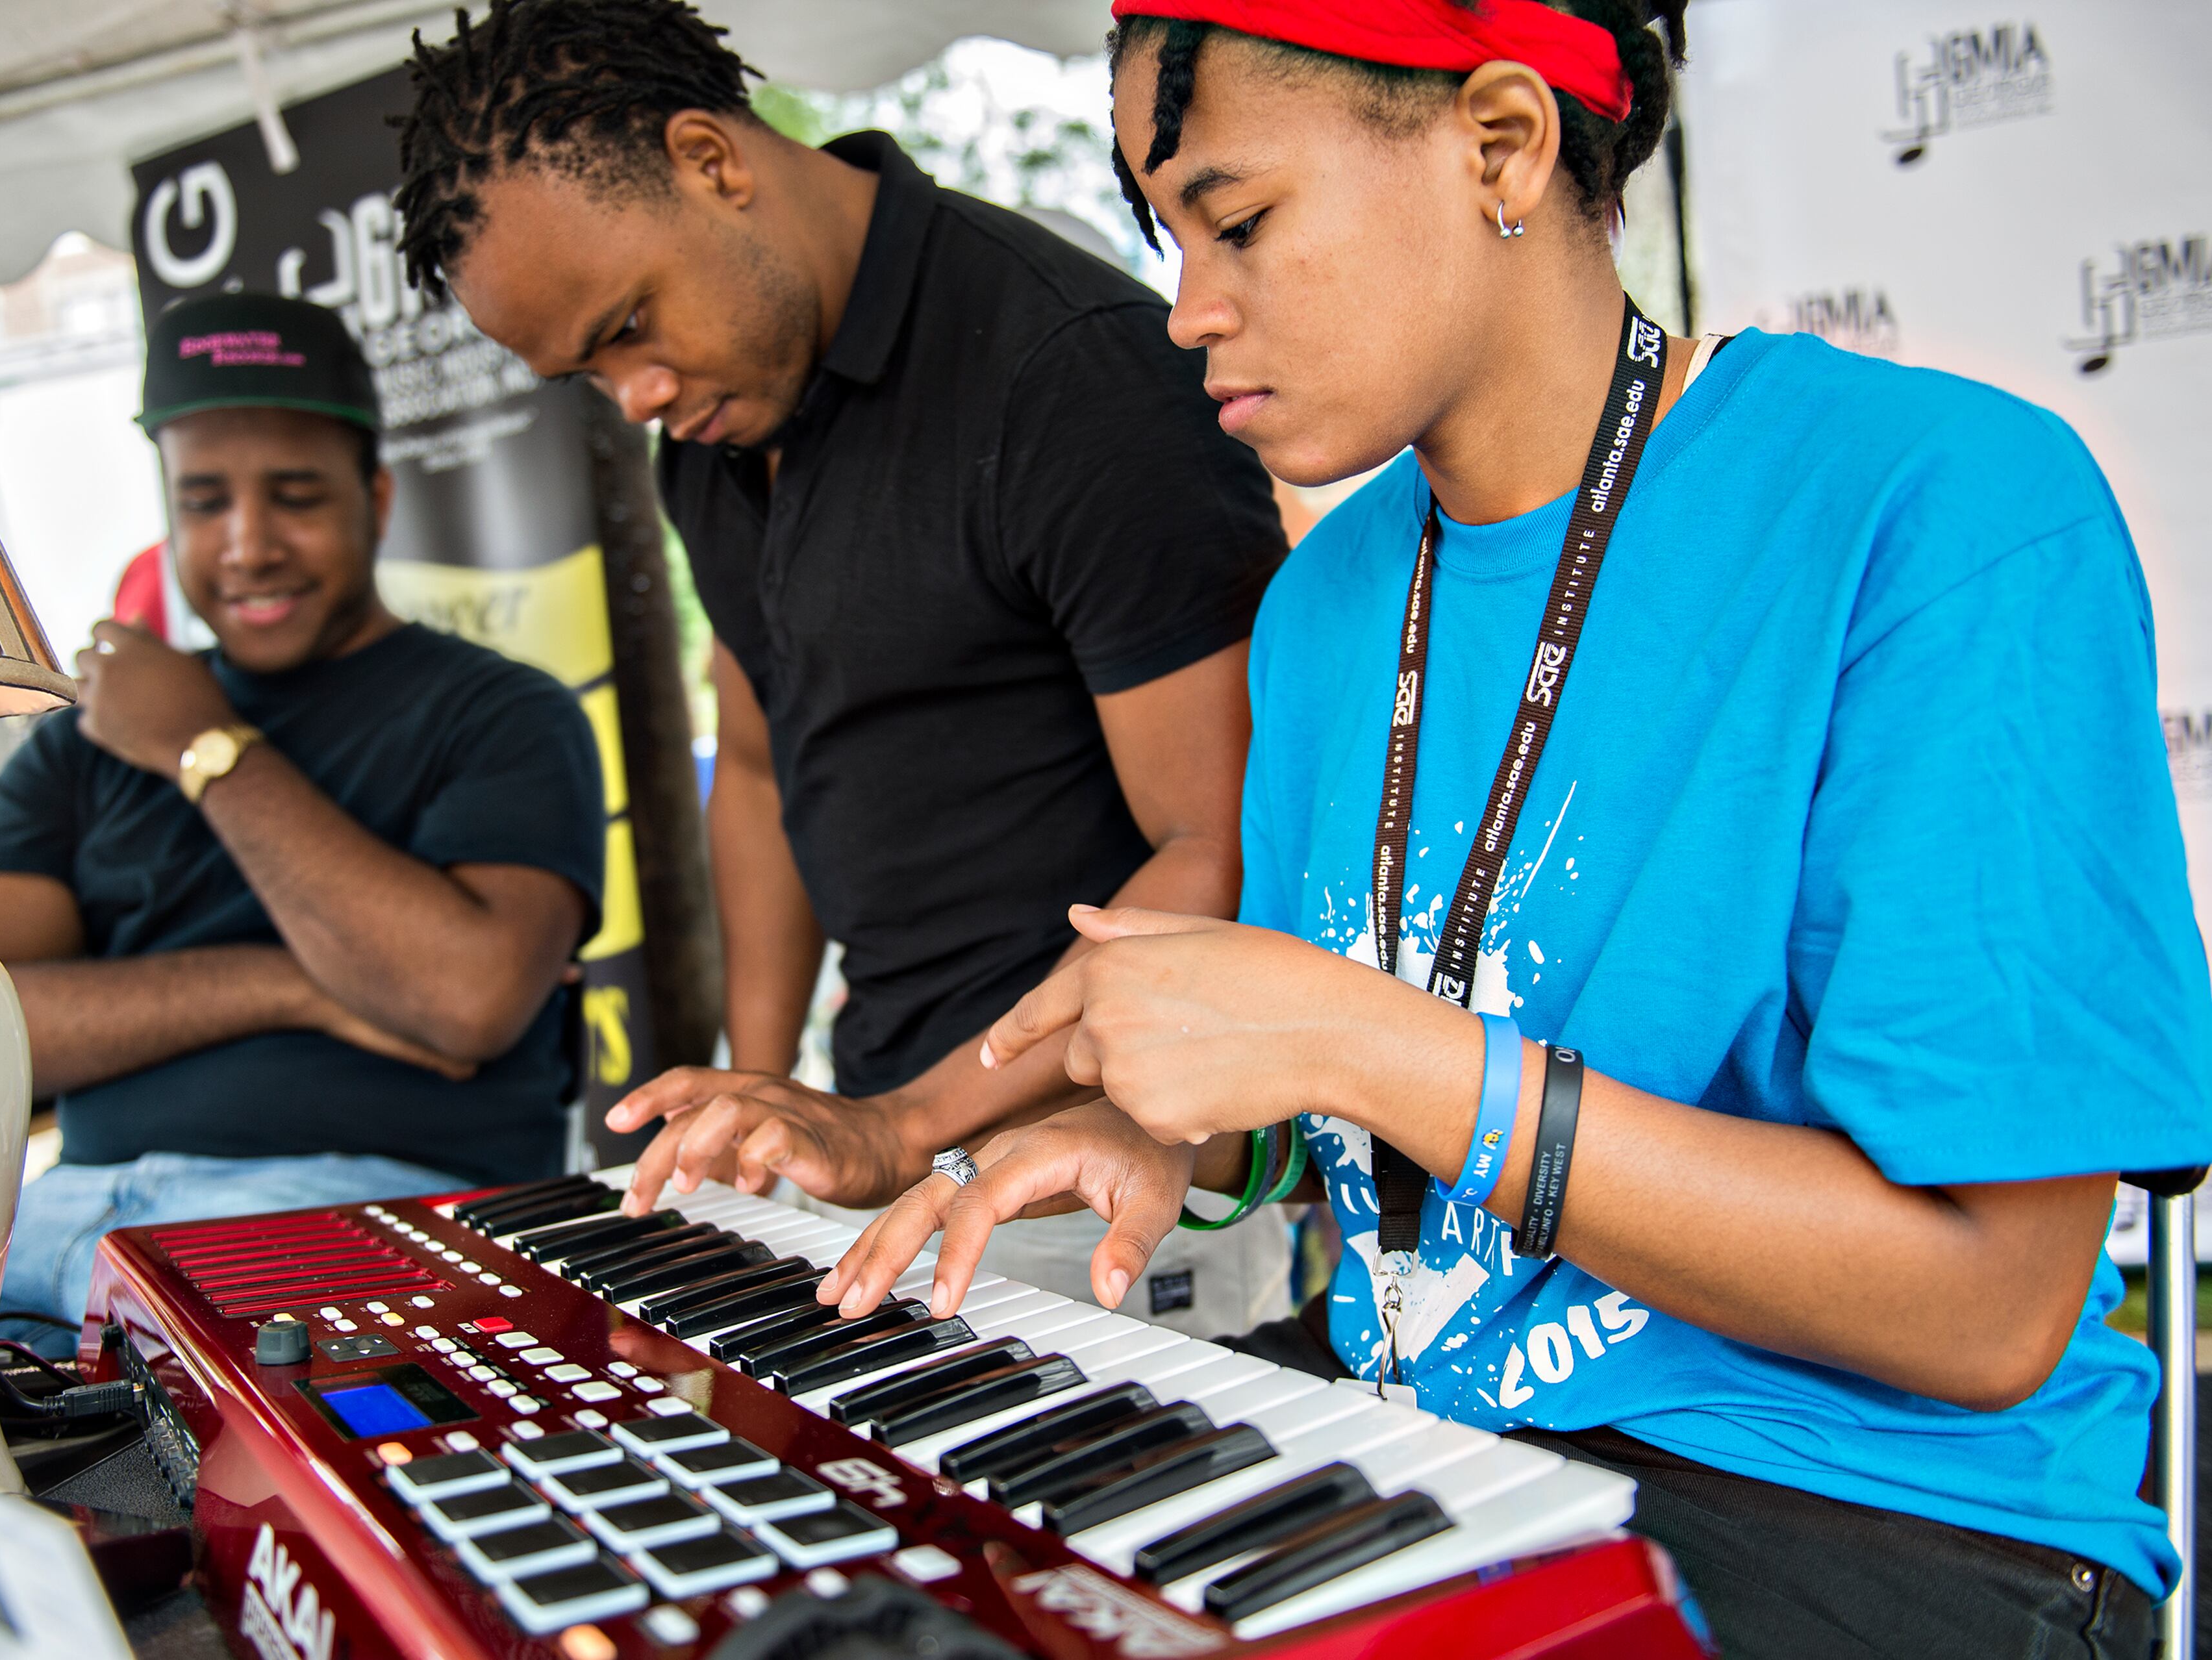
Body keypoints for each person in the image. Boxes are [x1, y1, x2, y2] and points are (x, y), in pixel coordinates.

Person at [822, 4, 2212, 1655]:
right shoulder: (1327, 605)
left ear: (1502, 142)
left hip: (1865, 1514)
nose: (1188, 311)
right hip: (1430, 1441)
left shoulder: (1943, 502)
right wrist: (1179, 1144)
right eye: (1164, 234)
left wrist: (1365, 1043)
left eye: (1240, 219)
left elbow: (1987, 1307)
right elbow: (1365, 1067)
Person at [393, 0, 1296, 1332]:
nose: (631, 394)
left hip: (1100, 1179)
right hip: (879, 1151)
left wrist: (901, 1121)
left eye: (629, 324)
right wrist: (762, 1116)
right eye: (587, 370)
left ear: (712, 159)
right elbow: (759, 767)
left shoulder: (1071, 376)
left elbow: (1221, 845)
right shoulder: (707, 428)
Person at [0, 292, 605, 1355]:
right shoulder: (85, 741)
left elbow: (464, 997)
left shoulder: (503, 714)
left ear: (376, 500)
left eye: (294, 496)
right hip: (55, 1217)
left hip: (359, 1232)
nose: (247, 545)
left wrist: (208, 751)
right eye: (204, 502)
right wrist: (303, 986)